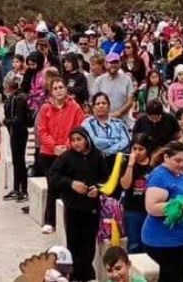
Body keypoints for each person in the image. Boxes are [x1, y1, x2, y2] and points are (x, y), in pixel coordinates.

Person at [49, 127, 108, 282]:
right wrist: (71, 184)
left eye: (79, 139)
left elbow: (105, 178)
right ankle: (74, 275)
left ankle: (87, 274)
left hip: (92, 207)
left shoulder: (97, 156)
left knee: (89, 244)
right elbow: (53, 175)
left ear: (86, 139)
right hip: (73, 207)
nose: (76, 143)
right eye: (73, 140)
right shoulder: (67, 157)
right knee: (74, 242)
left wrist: (98, 189)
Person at [141, 142, 183, 282]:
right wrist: (179, 204)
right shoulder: (159, 177)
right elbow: (152, 207)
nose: (181, 164)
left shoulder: (182, 175)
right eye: (177, 160)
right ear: (166, 157)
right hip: (165, 243)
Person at [37, 78, 85, 234]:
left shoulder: (76, 108)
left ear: (66, 89)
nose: (58, 90)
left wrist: (67, 146)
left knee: (68, 187)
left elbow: (79, 128)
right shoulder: (45, 108)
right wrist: (54, 146)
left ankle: (68, 221)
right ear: (51, 91)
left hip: (69, 152)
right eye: (55, 88)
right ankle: (49, 221)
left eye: (61, 87)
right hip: (49, 153)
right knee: (53, 186)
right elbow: (42, 130)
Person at [120, 133, 153, 254]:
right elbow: (125, 185)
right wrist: (130, 165)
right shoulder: (127, 164)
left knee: (148, 245)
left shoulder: (153, 165)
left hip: (149, 210)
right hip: (132, 210)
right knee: (134, 244)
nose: (137, 152)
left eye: (141, 149)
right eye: (135, 148)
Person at [81, 92, 131, 163]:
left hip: (118, 161)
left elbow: (127, 141)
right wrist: (115, 141)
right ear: (93, 108)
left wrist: (107, 152)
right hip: (95, 161)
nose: (101, 106)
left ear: (109, 107)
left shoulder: (119, 123)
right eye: (98, 104)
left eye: (104, 103)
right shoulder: (87, 123)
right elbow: (94, 142)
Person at [3, 78, 30, 202]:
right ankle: (16, 188)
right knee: (16, 162)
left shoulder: (18, 99)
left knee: (20, 162)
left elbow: (19, 119)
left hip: (19, 133)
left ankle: (23, 190)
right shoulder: (12, 98)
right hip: (14, 133)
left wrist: (6, 121)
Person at [91, 53, 134, 122]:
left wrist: (118, 113)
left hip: (123, 121)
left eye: (116, 62)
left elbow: (130, 101)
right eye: (111, 62)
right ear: (105, 64)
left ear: (120, 64)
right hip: (103, 121)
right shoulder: (99, 81)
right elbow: (94, 102)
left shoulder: (127, 79)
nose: (113, 65)